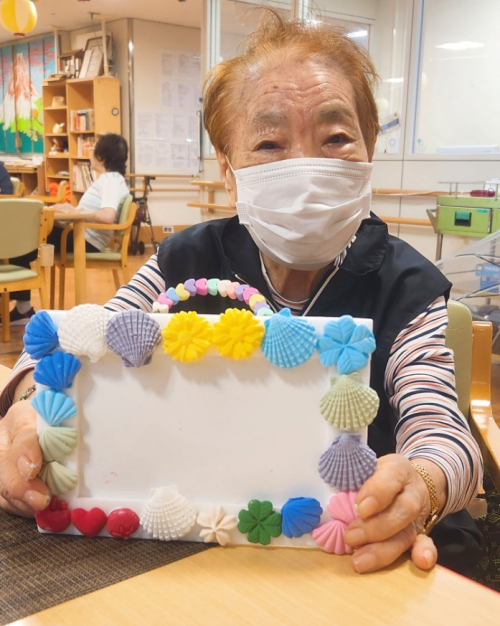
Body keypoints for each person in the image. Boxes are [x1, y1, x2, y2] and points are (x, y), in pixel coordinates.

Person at [0, 11, 483, 576]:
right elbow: (76, 347)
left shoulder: (406, 284)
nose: (306, 167)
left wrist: (420, 486)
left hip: (347, 561)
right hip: (188, 556)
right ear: (229, 173)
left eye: (335, 137)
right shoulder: (184, 261)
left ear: (368, 151)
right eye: (270, 143)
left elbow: (442, 431)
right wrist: (28, 413)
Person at [6, 133, 129, 325]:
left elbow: (108, 215)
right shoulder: (109, 179)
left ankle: (20, 305)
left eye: (93, 149)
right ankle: (20, 304)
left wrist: (75, 211)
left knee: (19, 241)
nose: (90, 153)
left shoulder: (112, 180)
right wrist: (72, 210)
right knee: (19, 240)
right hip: (80, 234)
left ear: (102, 156)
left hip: (86, 239)